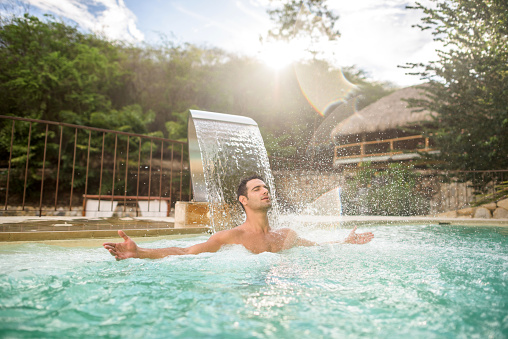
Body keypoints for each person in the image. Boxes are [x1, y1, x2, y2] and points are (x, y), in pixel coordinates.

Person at [103, 175, 374, 260]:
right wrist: (139, 252)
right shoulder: (231, 237)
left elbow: (317, 247)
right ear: (244, 200)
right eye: (257, 189)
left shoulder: (286, 235)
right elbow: (185, 251)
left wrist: (345, 243)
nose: (265, 191)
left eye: (266, 188)